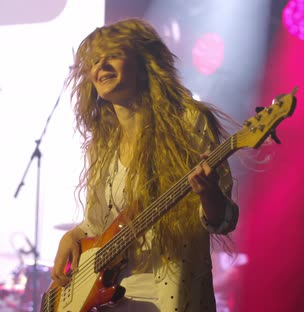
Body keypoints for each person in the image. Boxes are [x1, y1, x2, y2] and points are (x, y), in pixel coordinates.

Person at [50, 18, 239, 312]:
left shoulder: (188, 122)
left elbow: (224, 220)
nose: (102, 66)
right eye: (95, 61)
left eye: (112, 55)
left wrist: (209, 193)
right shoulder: (103, 145)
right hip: (112, 302)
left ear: (143, 63)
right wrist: (72, 236)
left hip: (171, 296)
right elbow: (98, 225)